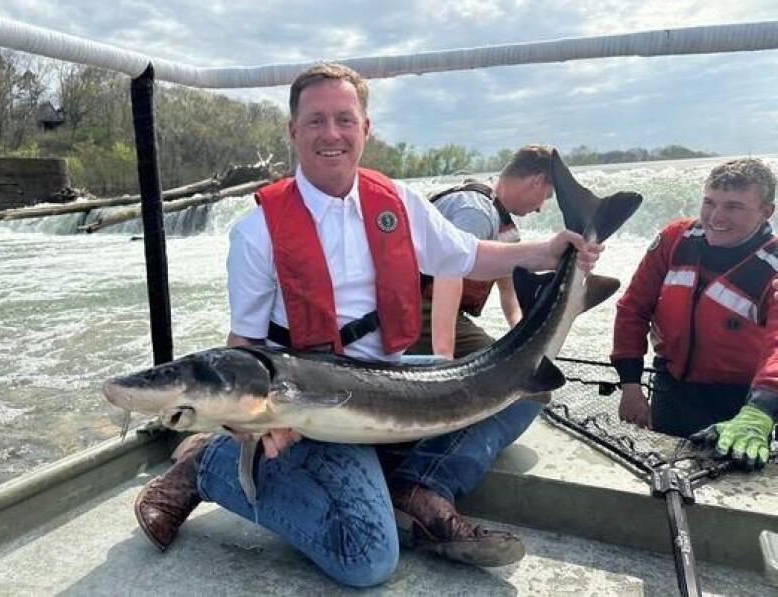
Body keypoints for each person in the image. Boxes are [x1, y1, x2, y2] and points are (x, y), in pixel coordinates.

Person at [134, 63, 602, 588]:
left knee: (521, 392)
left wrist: (551, 251)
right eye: (315, 121)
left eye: (343, 120)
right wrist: (249, 420)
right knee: (368, 560)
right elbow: (244, 344)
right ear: (293, 132)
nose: (330, 134)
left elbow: (467, 256)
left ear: (365, 128)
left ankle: (417, 486)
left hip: (390, 374)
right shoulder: (256, 231)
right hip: (311, 399)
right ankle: (209, 465)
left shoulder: (397, 201)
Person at [611, 158, 778, 469]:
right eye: (709, 203)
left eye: (733, 207)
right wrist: (630, 386)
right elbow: (633, 308)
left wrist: (762, 410)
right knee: (661, 478)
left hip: (740, 403)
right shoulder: (675, 239)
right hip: (671, 388)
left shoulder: (773, 265)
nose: (716, 217)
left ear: (766, 212)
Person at [408, 144, 555, 358]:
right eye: (547, 196)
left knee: (516, 360)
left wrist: (521, 333)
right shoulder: (477, 212)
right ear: (537, 181)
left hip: (437, 309)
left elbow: (508, 291)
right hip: (412, 305)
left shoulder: (505, 227)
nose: (541, 208)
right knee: (504, 368)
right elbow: (448, 275)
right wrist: (444, 357)